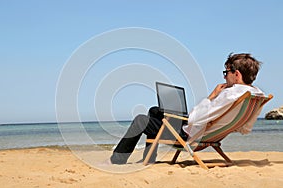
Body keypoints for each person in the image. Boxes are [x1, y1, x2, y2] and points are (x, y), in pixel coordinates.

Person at [110, 53, 265, 164]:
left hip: (188, 135)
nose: (224, 77)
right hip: (209, 135)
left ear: (236, 74)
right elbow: (245, 129)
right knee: (154, 111)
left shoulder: (229, 95)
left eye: (226, 73)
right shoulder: (256, 96)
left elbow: (193, 119)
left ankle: (117, 160)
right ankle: (149, 158)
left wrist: (211, 96)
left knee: (141, 120)